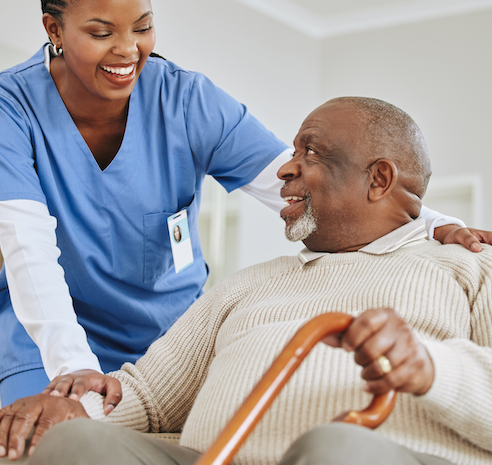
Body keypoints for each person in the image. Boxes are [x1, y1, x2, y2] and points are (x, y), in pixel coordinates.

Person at [0, 0, 486, 410]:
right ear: (54, 29)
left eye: (142, 27)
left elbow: (303, 186)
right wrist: (73, 373)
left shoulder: (186, 101)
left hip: (167, 349)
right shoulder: (12, 108)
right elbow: (28, 249)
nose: (128, 50)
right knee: (45, 438)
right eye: (102, 33)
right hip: (46, 343)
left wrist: (428, 221)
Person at [1, 97, 491, 465]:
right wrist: (67, 411)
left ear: (378, 179)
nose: (284, 167)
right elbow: (147, 396)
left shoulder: (468, 266)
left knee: (336, 449)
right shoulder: (249, 284)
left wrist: (433, 367)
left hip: (377, 454)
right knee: (74, 442)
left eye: (311, 152)